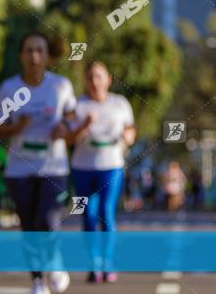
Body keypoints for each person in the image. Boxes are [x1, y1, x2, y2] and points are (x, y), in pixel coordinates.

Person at [0, 31, 76, 294]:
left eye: (39, 50)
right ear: (21, 55)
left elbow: (72, 117)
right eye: (28, 50)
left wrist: (63, 127)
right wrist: (16, 127)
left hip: (54, 167)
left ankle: (54, 261)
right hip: (19, 169)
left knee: (48, 219)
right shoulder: (9, 88)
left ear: (48, 56)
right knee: (29, 227)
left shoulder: (61, 86)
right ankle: (38, 280)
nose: (34, 56)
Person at [68, 61, 136, 284]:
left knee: (106, 213)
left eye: (99, 76)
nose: (95, 81)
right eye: (90, 77)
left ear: (108, 79)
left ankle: (108, 262)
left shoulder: (120, 103)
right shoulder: (78, 105)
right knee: (88, 215)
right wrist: (84, 126)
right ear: (85, 81)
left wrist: (128, 137)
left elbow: (130, 129)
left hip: (111, 164)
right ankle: (93, 264)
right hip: (83, 166)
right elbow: (69, 139)